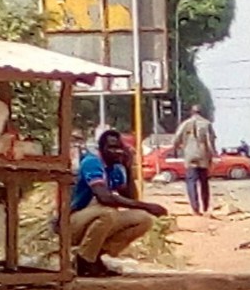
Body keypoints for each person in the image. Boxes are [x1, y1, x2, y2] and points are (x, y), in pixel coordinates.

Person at [71, 130, 169, 277]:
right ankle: (83, 260)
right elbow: (104, 197)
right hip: (73, 220)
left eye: (119, 148)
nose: (116, 152)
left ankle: (93, 255)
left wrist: (128, 169)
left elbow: (131, 198)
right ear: (101, 149)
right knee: (108, 212)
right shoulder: (92, 163)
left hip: (97, 220)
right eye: (111, 148)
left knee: (143, 219)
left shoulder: (116, 169)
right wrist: (148, 206)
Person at [172, 105, 218, 215]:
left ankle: (195, 208)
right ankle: (205, 206)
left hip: (190, 156)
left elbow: (175, 139)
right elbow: (211, 141)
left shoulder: (185, 124)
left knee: (191, 182)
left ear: (191, 112)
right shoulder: (207, 124)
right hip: (203, 156)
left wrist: (178, 149)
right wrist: (213, 155)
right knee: (204, 182)